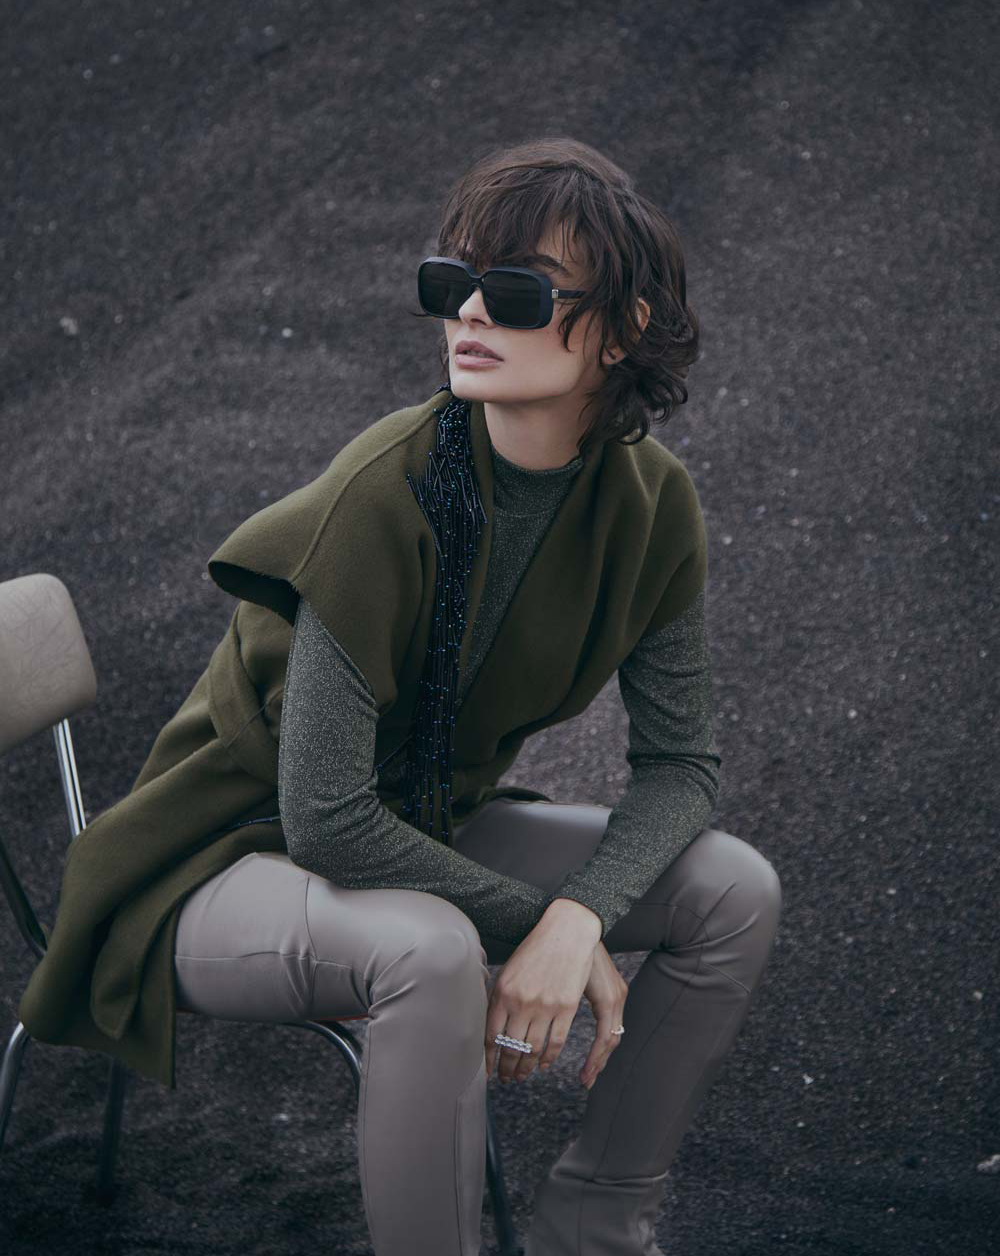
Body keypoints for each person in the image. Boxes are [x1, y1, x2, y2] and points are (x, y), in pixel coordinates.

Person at [20, 136, 781, 1256]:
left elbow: (682, 766)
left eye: (518, 292)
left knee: (731, 889)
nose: (469, 311)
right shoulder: (386, 493)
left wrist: (577, 920)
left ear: (621, 331)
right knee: (429, 949)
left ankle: (595, 1228)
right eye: (452, 281)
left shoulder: (651, 506)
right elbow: (325, 819)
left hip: (418, 828)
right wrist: (536, 930)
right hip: (214, 859)